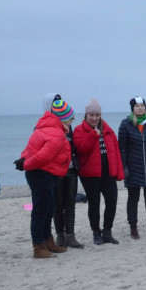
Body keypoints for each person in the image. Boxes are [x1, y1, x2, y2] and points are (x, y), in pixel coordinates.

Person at [16, 94, 72, 259]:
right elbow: (43, 156)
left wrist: (24, 159)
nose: (72, 121)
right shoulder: (55, 133)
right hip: (41, 174)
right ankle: (39, 247)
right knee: (41, 210)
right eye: (70, 118)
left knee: (49, 209)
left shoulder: (48, 127)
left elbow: (32, 149)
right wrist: (24, 164)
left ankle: (48, 242)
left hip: (47, 173)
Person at [75, 98, 124, 245]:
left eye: (97, 115)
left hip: (108, 173)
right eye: (91, 115)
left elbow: (116, 152)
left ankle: (107, 232)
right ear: (86, 115)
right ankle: (96, 233)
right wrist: (93, 135)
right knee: (94, 204)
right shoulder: (79, 130)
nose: (94, 118)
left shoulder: (108, 130)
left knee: (112, 202)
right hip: (90, 175)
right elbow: (81, 150)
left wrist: (119, 172)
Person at [118, 96, 146, 239]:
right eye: (137, 105)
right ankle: (133, 228)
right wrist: (124, 166)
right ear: (132, 108)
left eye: (142, 105)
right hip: (133, 168)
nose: (140, 107)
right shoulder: (125, 125)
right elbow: (122, 148)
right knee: (133, 198)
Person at [52, 104, 83, 249]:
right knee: (58, 204)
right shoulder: (48, 128)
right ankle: (60, 235)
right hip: (56, 171)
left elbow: (75, 147)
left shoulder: (69, 128)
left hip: (71, 170)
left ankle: (70, 235)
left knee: (70, 204)